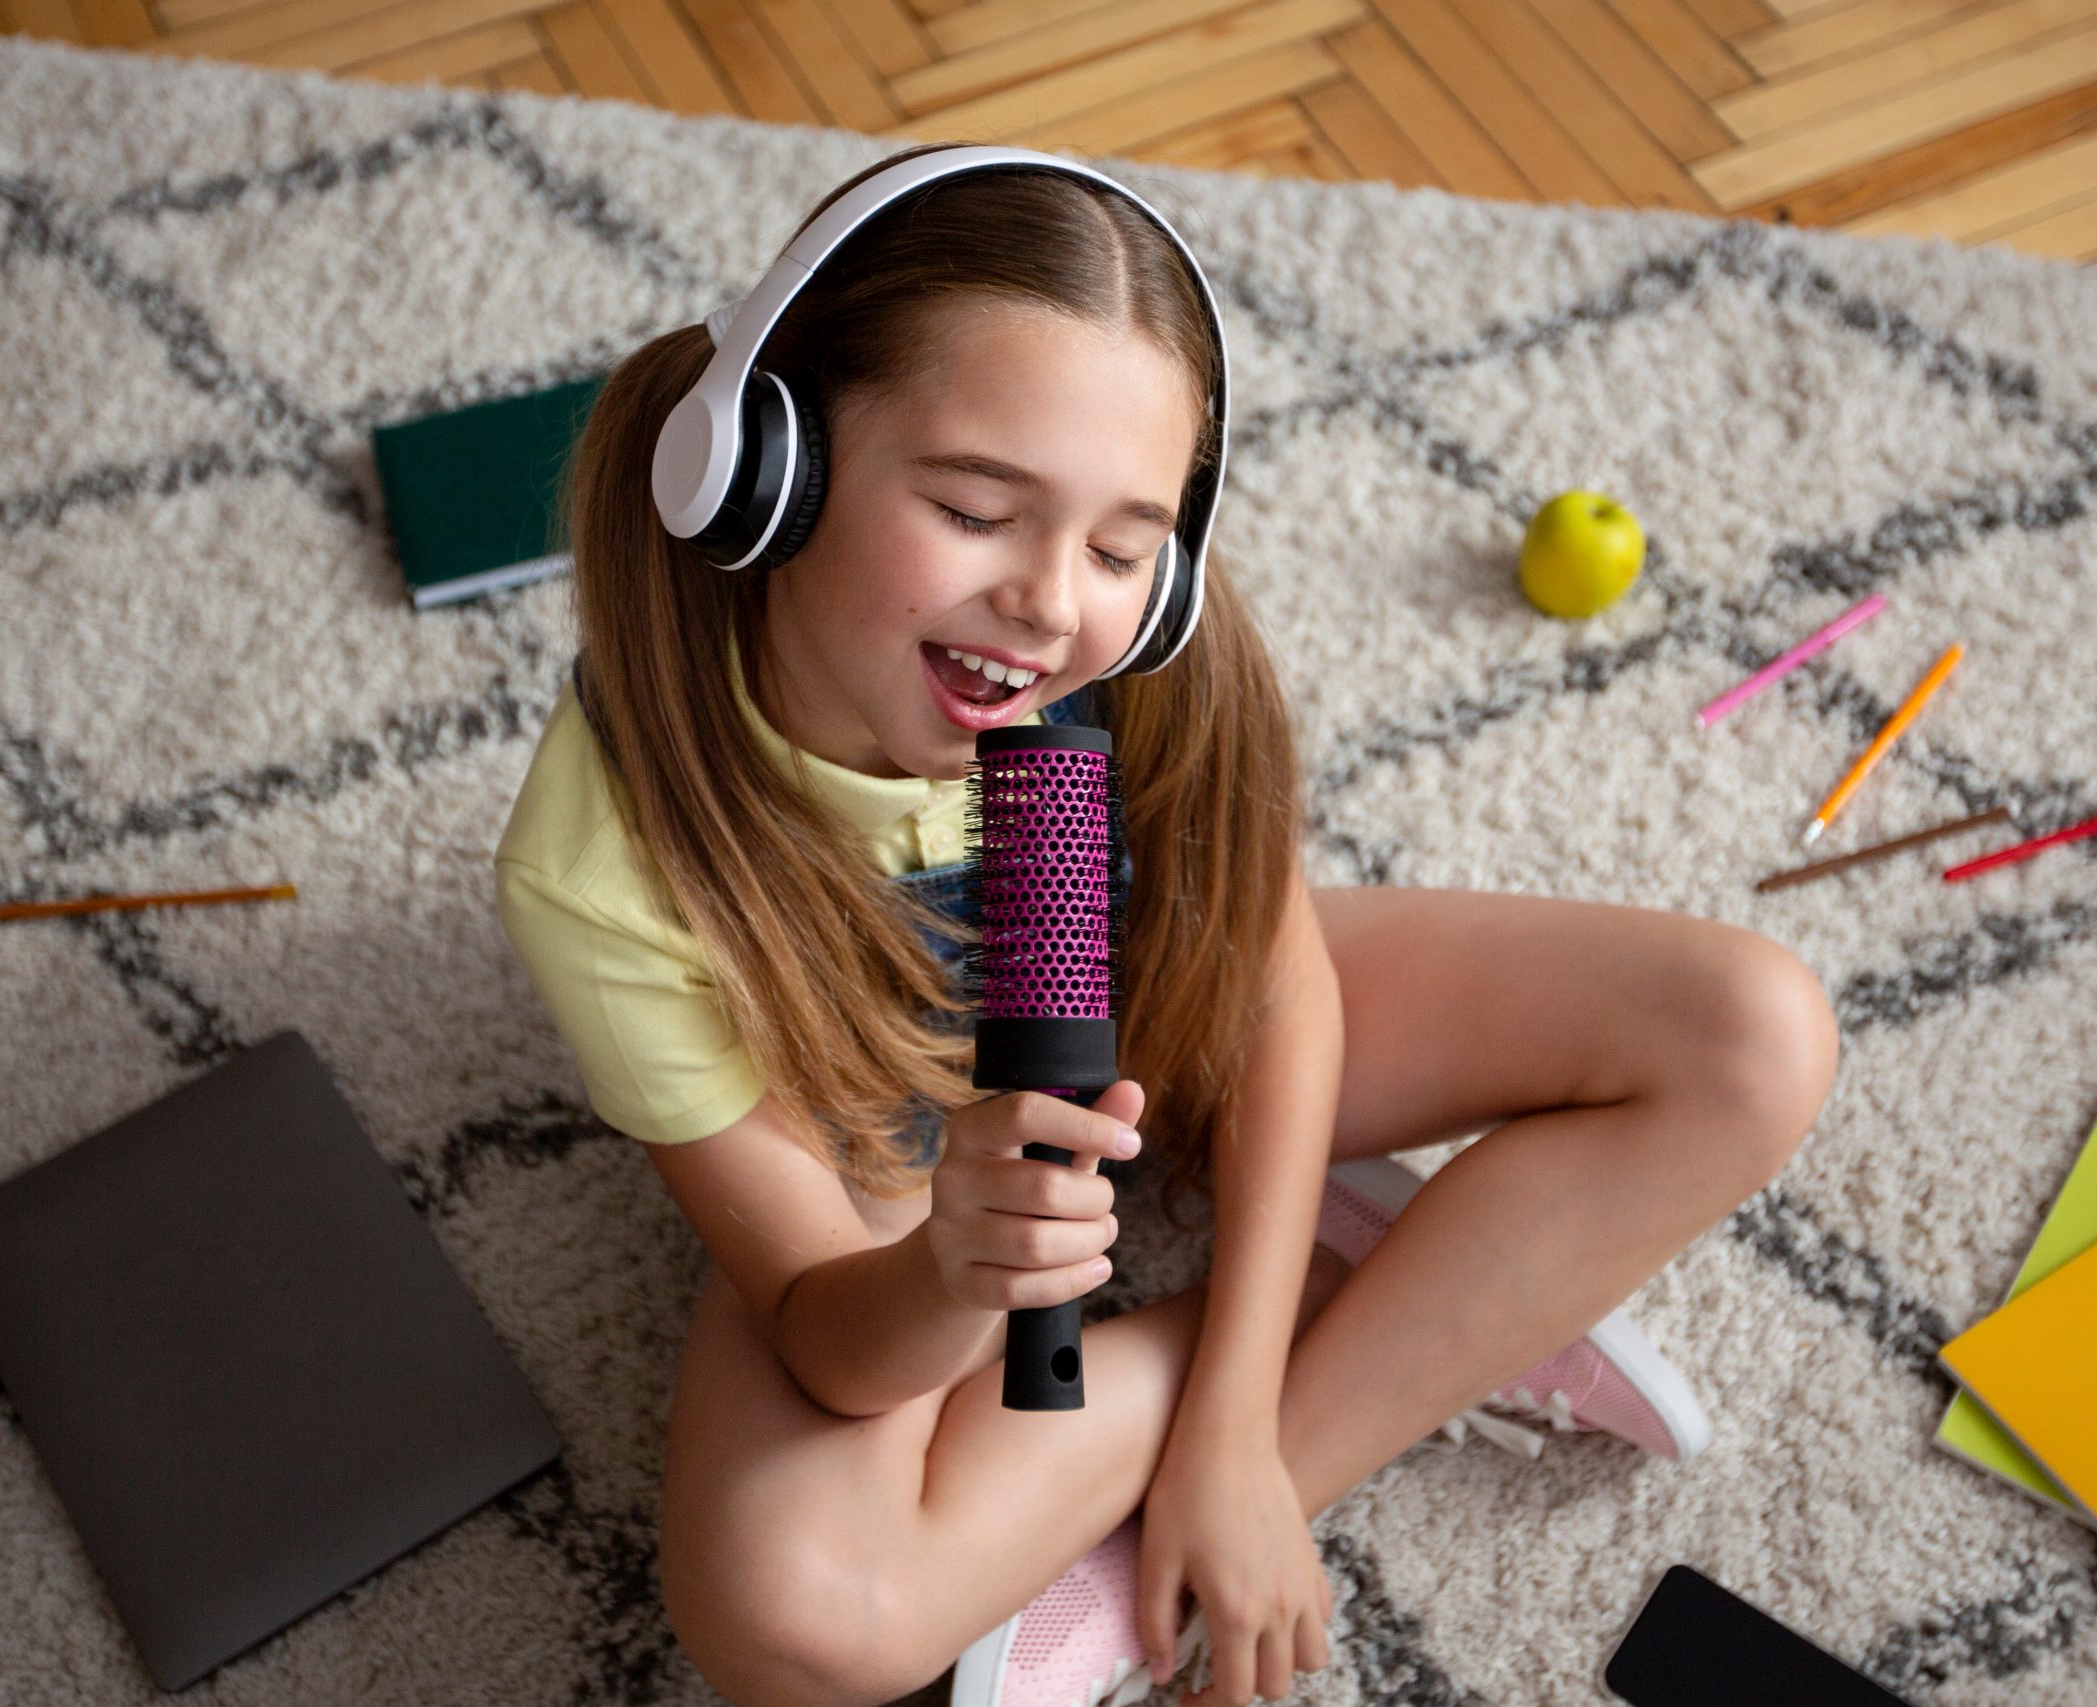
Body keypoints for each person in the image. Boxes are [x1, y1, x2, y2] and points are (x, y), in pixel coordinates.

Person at [492, 140, 1841, 1707]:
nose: (1055, 606)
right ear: (766, 465)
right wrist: (949, 1265)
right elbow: (820, 1332)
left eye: (1126, 549)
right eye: (976, 509)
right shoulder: (604, 865)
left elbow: (1274, 990)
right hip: (872, 1151)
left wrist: (1245, 1445)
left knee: (1753, 1037)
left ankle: (1230, 1496)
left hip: (1146, 1011)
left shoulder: (1125, 661)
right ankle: (1421, 1303)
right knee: (796, 1630)